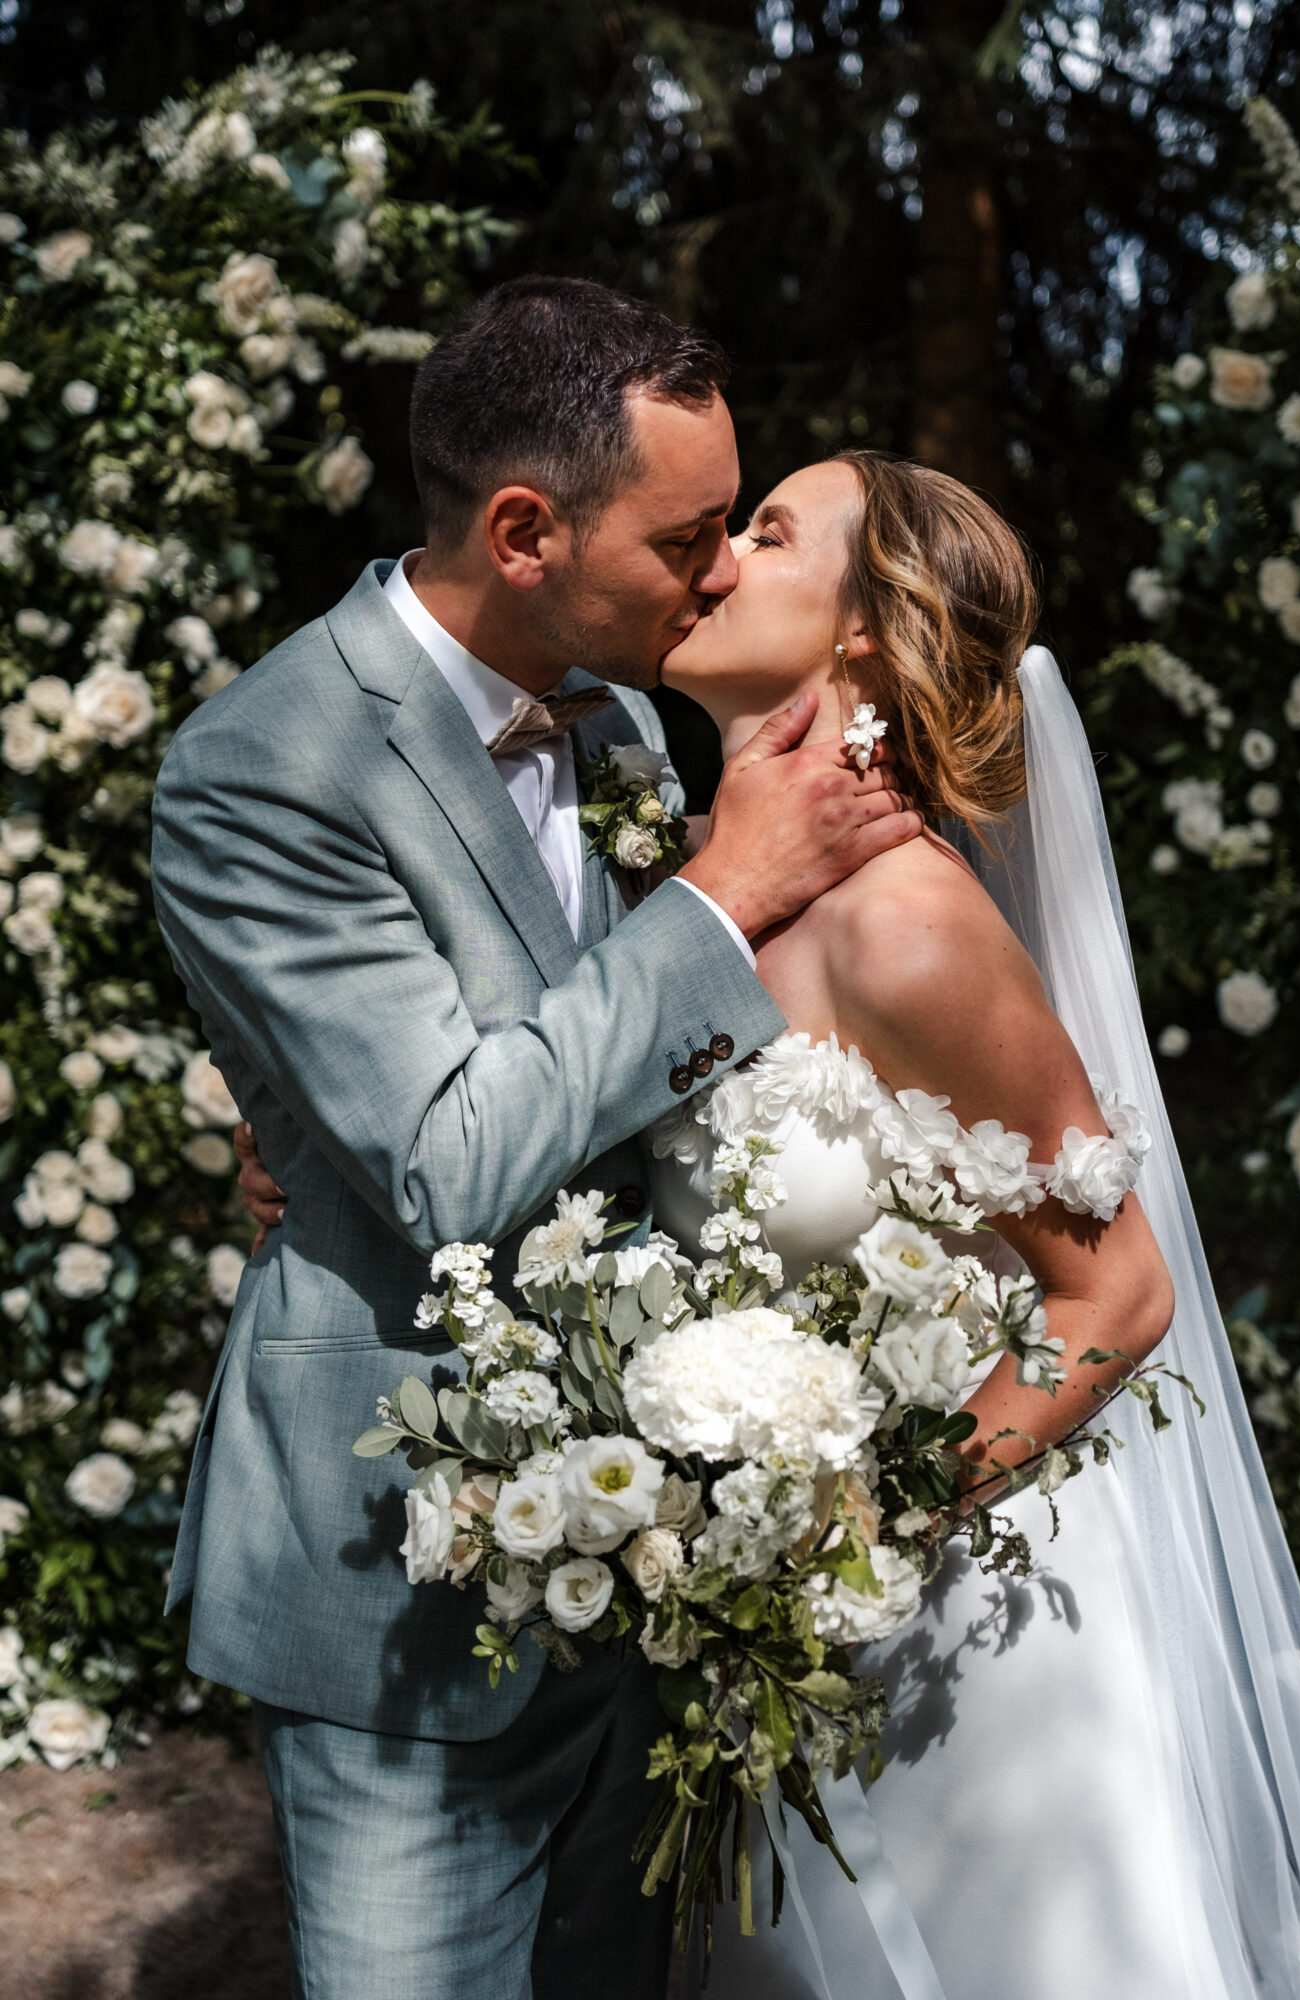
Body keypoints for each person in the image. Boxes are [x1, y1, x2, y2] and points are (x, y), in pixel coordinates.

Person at [246, 448, 1300, 1996]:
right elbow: (526, 1093)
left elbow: (1121, 1296)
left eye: (763, 535)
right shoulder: (691, 875)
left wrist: (860, 1540)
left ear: (859, 640)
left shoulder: (909, 922)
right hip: (760, 1638)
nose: (712, 560)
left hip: (956, 1627)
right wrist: (319, 1138)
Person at [149, 279, 921, 2000]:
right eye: (688, 536)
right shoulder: (263, 768)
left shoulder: (630, 717)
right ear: (520, 530)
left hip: (651, 1551)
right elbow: (445, 1159)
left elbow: (638, 1064)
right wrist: (722, 890)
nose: (721, 573)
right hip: (400, 1583)